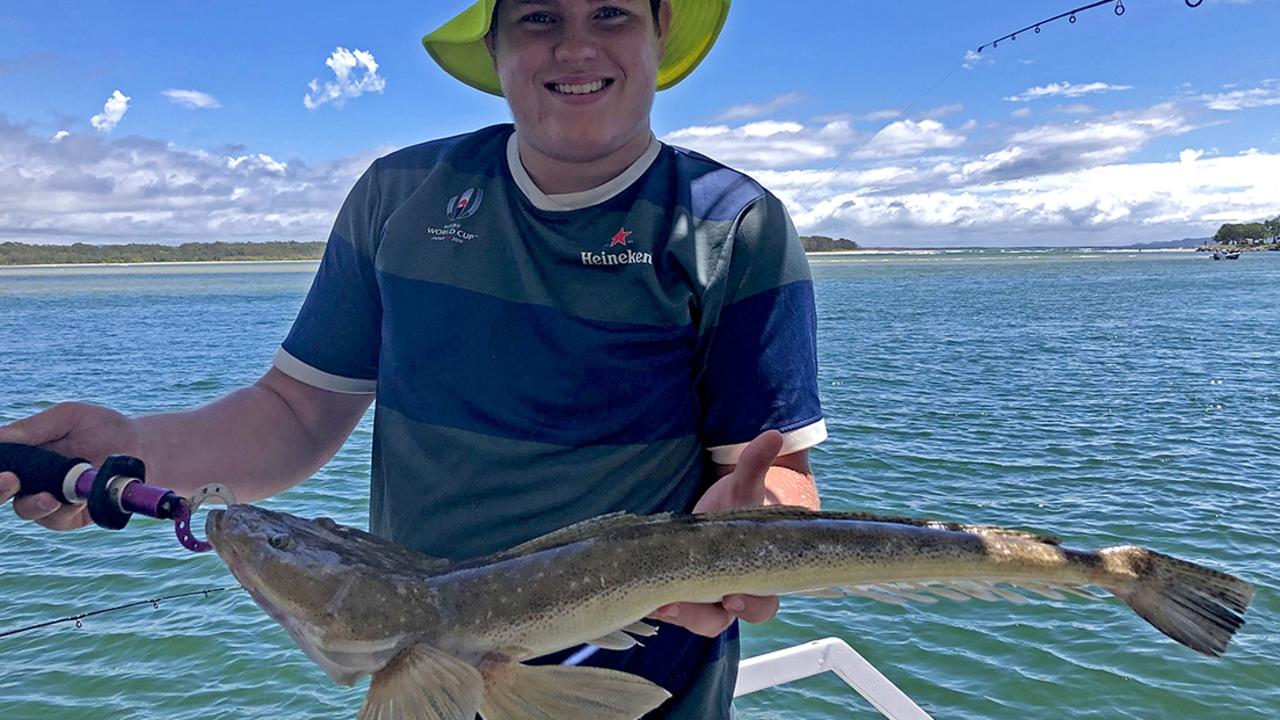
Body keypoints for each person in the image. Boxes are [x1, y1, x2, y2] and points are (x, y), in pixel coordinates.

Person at [0, 0, 825, 716]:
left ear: (660, 31)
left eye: (611, 12)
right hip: (422, 675)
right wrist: (129, 451)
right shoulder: (403, 196)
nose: (576, 48)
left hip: (650, 690)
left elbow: (774, 471)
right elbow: (293, 414)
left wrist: (757, 535)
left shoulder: (730, 225)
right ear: (497, 44)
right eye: (539, 16)